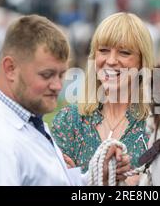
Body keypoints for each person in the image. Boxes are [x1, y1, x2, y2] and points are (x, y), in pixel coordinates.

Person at [0, 15, 130, 186]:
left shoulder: (26, 118)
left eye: (61, 75)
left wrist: (97, 178)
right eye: (47, 75)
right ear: (10, 68)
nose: (57, 86)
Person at [51, 12, 154, 185]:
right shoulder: (68, 121)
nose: (111, 60)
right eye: (104, 50)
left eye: (124, 52)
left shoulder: (156, 125)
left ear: (142, 63)